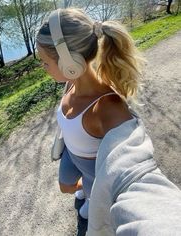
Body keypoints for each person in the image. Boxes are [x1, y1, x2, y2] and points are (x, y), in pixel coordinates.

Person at [36, 7, 181, 236]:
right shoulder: (71, 82)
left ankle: (90, 196)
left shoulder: (109, 108)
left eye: (45, 62)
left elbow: (134, 171)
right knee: (65, 187)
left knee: (89, 209)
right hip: (71, 155)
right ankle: (84, 191)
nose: (42, 68)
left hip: (93, 170)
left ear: (70, 62)